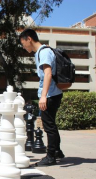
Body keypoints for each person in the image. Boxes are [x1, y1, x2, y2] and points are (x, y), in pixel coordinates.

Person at [19, 28, 64, 166]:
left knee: (49, 126)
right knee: (51, 125)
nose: (23, 46)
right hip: (51, 93)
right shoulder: (43, 51)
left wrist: (43, 96)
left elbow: (48, 74)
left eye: (23, 43)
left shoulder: (44, 52)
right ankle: (56, 151)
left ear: (29, 39)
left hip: (50, 94)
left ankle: (50, 156)